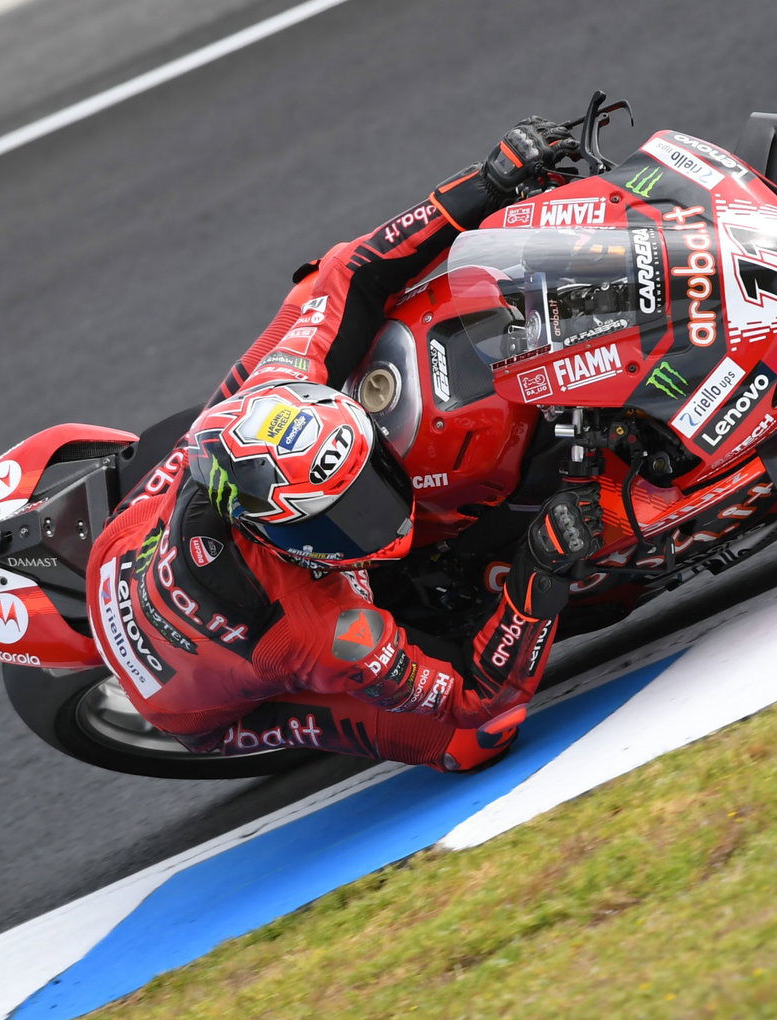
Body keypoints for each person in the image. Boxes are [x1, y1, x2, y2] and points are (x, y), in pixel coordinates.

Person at [83, 118, 604, 772]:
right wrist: (541, 574)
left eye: (372, 483)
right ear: (288, 538)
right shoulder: (319, 633)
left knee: (315, 293)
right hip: (188, 701)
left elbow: (350, 273)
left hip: (119, 547)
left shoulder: (282, 386)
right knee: (472, 743)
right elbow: (476, 701)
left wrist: (487, 181)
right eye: (351, 514)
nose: (389, 514)